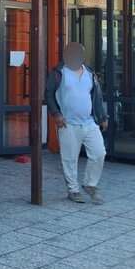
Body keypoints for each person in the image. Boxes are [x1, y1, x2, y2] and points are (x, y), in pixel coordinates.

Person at [45, 42, 108, 204]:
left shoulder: (89, 73)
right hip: (68, 123)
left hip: (89, 122)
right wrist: (56, 114)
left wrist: (103, 116)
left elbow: (97, 96)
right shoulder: (59, 72)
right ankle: (73, 190)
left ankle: (90, 184)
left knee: (99, 153)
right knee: (69, 158)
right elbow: (49, 93)